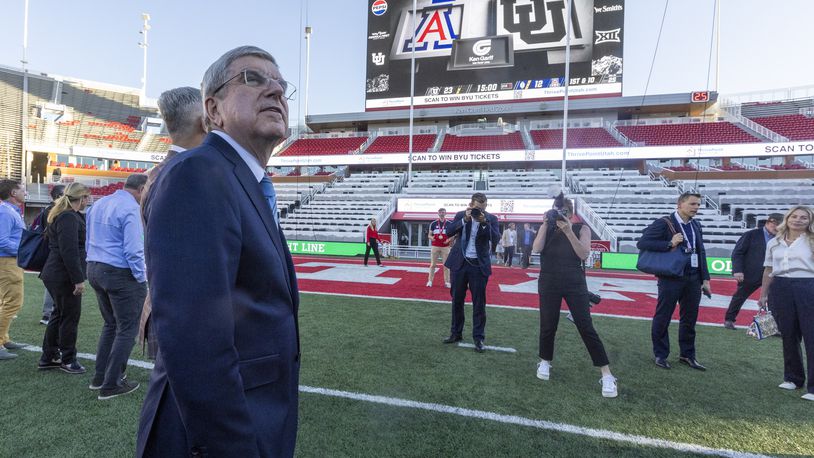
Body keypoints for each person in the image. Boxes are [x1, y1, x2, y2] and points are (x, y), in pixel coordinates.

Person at [136, 46, 300, 457]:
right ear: (213, 109)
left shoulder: (242, 178)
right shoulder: (198, 173)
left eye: (281, 86)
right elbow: (195, 339)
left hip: (254, 413)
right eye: (253, 79)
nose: (275, 91)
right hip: (218, 432)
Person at [138, 86, 207, 361]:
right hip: (184, 318)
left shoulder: (162, 172)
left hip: (171, 310)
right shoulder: (186, 173)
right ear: (205, 121)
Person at [533, 195, 617, 398]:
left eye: (563, 212)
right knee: (547, 324)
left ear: (571, 214)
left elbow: (583, 254)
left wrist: (569, 230)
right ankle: (545, 361)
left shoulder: (582, 229)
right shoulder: (548, 228)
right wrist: (545, 224)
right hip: (549, 280)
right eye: (556, 212)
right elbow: (536, 249)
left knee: (585, 326)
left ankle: (606, 374)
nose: (559, 216)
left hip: (574, 281)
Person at [86, 174, 149, 400]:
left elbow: (88, 238)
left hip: (95, 266)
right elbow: (133, 250)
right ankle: (112, 383)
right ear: (142, 188)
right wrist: (142, 278)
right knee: (127, 328)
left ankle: (100, 376)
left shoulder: (100, 203)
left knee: (110, 324)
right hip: (119, 272)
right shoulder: (131, 209)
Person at [637, 192, 711, 371]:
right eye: (693, 204)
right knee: (664, 316)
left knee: (690, 318)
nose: (696, 208)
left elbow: (700, 252)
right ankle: (660, 355)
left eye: (698, 205)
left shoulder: (696, 225)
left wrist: (705, 278)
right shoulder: (663, 222)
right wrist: (669, 243)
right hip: (670, 277)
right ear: (680, 204)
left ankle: (687, 354)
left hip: (693, 278)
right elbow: (643, 243)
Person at [758, 206, 814, 402]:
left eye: (803, 217)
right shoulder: (774, 242)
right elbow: (768, 269)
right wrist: (764, 294)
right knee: (788, 334)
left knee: (811, 335)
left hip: (808, 286)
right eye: (794, 216)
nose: (798, 220)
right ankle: (792, 378)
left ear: (810, 221)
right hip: (780, 287)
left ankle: (813, 387)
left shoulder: (812, 240)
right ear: (787, 218)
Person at [37, 182, 91, 373]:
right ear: (82, 198)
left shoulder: (64, 214)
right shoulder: (68, 217)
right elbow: (69, 251)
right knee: (69, 317)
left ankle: (49, 355)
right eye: (87, 197)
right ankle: (68, 359)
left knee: (59, 314)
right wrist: (78, 279)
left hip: (56, 273)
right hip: (62, 274)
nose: (88, 200)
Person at [442, 193, 500, 353]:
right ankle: (455, 333)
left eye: (483, 208)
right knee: (457, 300)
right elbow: (448, 232)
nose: (480, 211)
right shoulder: (461, 215)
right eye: (477, 208)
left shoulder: (491, 219)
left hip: (478, 266)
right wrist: (464, 219)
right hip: (459, 264)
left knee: (479, 303)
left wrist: (485, 222)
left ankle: (479, 338)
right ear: (470, 205)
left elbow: (496, 239)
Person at [723, 213, 783, 329]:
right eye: (776, 225)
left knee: (773, 300)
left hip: (772, 274)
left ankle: (774, 327)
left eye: (780, 226)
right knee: (740, 297)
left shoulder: (781, 238)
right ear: (768, 222)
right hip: (750, 273)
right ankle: (729, 319)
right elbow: (738, 253)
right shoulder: (751, 234)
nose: (777, 228)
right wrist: (738, 270)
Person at [0, 180, 27, 361]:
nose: (24, 192)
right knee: (12, 303)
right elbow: (2, 241)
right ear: (12, 193)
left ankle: (4, 338)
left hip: (9, 261)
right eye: (21, 189)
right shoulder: (5, 212)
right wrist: (24, 250)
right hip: (7, 262)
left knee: (7, 302)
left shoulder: (9, 211)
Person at [33, 184, 65, 325]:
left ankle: (49, 313)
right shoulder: (55, 210)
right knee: (55, 283)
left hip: (48, 251)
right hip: (53, 252)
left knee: (52, 283)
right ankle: (49, 313)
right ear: (59, 196)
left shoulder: (47, 209)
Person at [427, 208, 451, 288]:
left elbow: (453, 235)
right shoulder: (433, 223)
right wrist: (431, 238)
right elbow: (429, 235)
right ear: (438, 213)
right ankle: (430, 281)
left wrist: (448, 240)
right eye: (440, 212)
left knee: (446, 265)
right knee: (433, 264)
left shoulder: (449, 223)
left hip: (446, 247)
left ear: (445, 213)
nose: (442, 213)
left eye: (443, 212)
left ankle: (447, 282)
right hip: (435, 246)